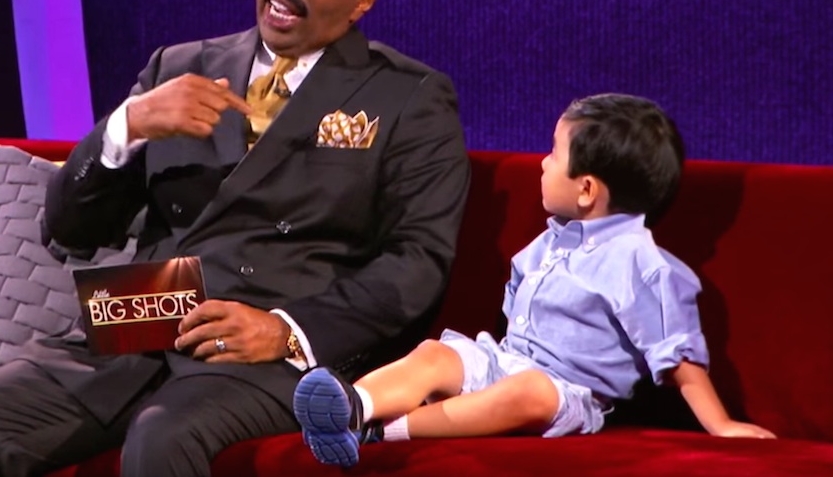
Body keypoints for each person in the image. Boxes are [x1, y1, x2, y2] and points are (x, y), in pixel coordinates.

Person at [0, 0, 471, 477]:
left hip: (268, 350)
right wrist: (127, 127)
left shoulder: (407, 97)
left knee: (162, 437)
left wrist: (284, 331)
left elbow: (417, 262)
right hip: (136, 324)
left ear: (363, 0)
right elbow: (69, 231)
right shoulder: (178, 67)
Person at [291, 93, 776, 468]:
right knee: (436, 354)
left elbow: (677, 355)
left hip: (568, 395)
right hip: (507, 360)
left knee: (530, 392)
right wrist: (478, 366)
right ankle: (354, 405)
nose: (543, 163)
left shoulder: (640, 263)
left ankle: (383, 432)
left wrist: (721, 424)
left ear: (586, 190)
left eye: (553, 153)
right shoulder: (549, 242)